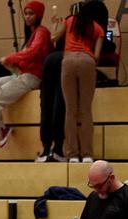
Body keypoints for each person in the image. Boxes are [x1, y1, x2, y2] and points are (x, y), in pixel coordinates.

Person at [0, 2, 51, 160]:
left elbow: (33, 53)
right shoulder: (33, 34)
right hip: (20, 75)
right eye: (25, 13)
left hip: (32, 77)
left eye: (31, 13)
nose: (27, 16)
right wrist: (13, 63)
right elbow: (28, 57)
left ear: (39, 15)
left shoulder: (42, 32)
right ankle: (2, 129)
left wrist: (11, 58)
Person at [52, 0, 104, 162]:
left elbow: (54, 39)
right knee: (86, 111)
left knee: (70, 110)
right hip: (87, 62)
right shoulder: (97, 27)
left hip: (68, 62)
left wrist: (55, 24)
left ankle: (73, 155)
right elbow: (96, 56)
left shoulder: (68, 21)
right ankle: (87, 155)